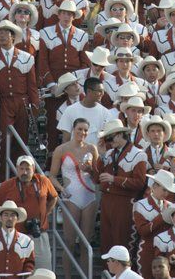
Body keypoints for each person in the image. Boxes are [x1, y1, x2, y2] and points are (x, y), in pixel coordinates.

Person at [49, 118, 98, 277]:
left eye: (85, 130)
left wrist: (90, 170)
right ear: (73, 129)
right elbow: (52, 176)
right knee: (69, 242)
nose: (82, 133)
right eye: (79, 129)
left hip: (89, 196)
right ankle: (67, 277)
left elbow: (97, 176)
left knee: (85, 243)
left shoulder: (92, 148)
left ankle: (86, 276)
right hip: (71, 196)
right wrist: (61, 189)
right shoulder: (61, 149)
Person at [0, 20, 39, 164]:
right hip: (3, 102)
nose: (1, 36)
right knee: (4, 140)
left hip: (22, 102)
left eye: (5, 33)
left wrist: (35, 105)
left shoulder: (27, 57)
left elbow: (32, 85)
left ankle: (19, 172)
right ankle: (3, 178)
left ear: (13, 36)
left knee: (22, 139)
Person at [0, 155, 58, 269]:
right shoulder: (6, 185)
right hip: (16, 236)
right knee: (17, 271)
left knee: (44, 271)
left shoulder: (43, 180)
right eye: (21, 169)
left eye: (28, 169)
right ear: (17, 169)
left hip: (39, 234)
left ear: (33, 168)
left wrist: (46, 213)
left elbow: (54, 197)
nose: (24, 172)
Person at [94, 120, 147, 254]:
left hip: (124, 202)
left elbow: (139, 183)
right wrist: (100, 156)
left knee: (122, 239)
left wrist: (114, 179)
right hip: (107, 201)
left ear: (118, 135)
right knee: (107, 240)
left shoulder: (138, 154)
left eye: (109, 138)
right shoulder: (109, 153)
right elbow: (97, 178)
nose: (108, 142)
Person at [0, 200, 35, 276]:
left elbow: (29, 263)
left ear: (17, 218)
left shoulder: (26, 241)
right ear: (1, 217)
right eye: (6, 215)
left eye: (13, 215)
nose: (9, 218)